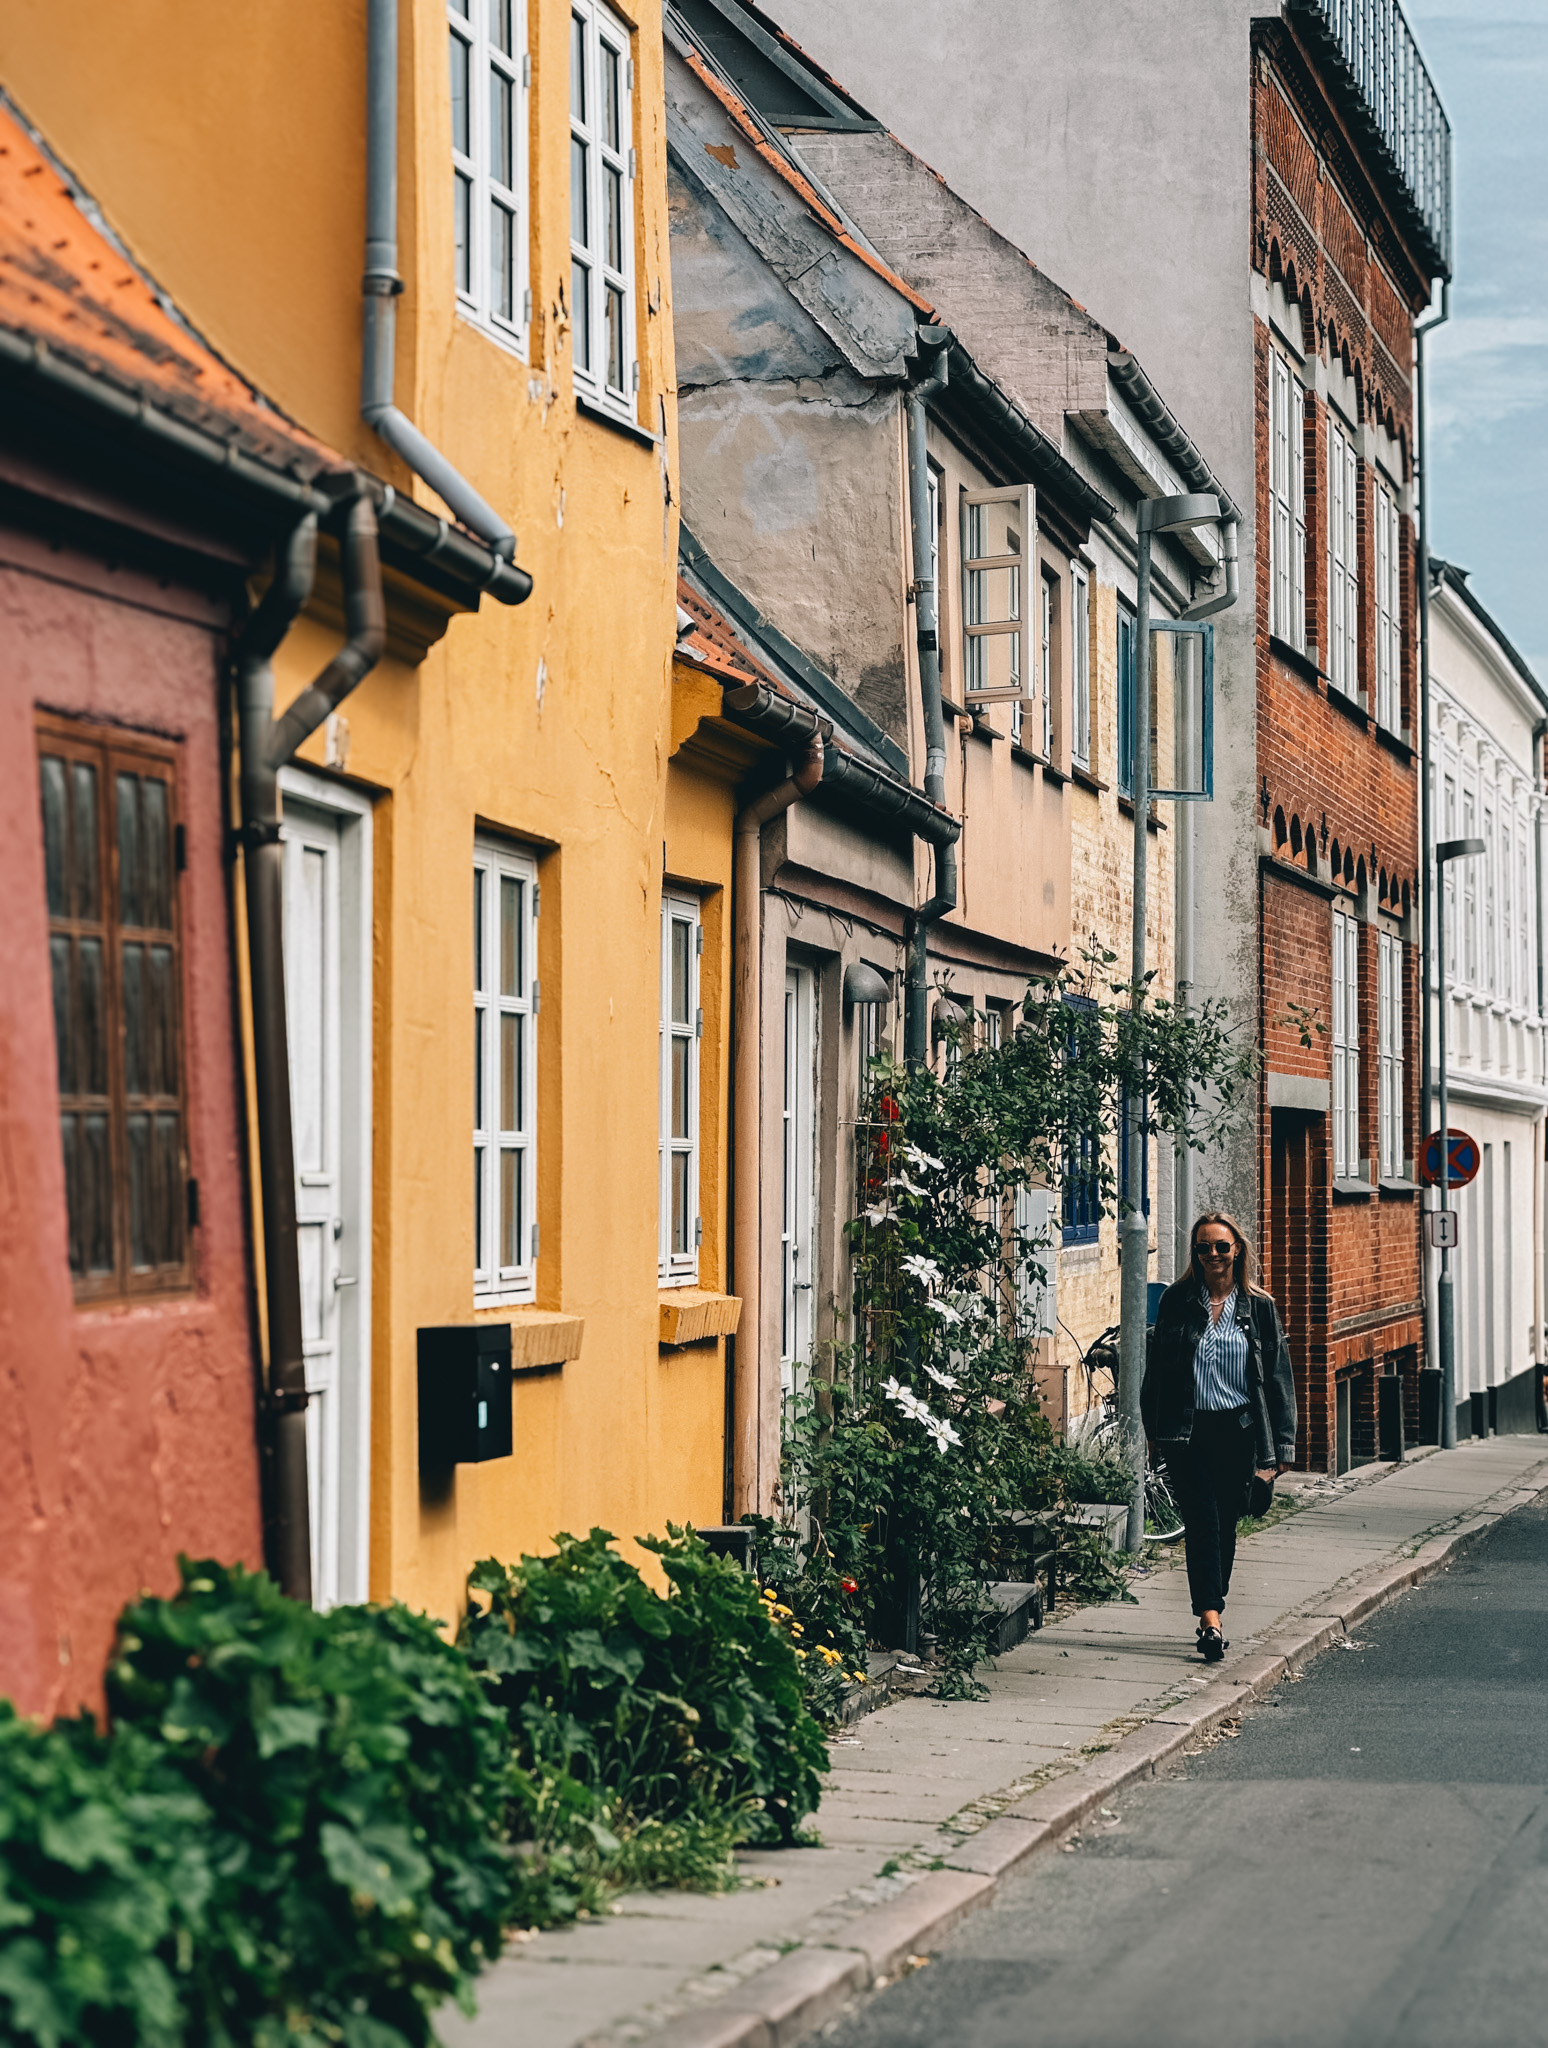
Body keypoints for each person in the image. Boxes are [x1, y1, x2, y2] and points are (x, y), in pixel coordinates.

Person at [1141, 1212, 1297, 1663]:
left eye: (1221, 1246)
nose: (1213, 1254)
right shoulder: (1176, 1301)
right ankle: (1210, 1618)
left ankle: (1213, 1600)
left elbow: (1278, 1376)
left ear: (1237, 1250)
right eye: (1204, 1247)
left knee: (1225, 1524)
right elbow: (1158, 1372)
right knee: (1201, 1523)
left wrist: (1281, 1447)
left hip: (1238, 1430)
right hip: (1186, 1431)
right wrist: (1152, 1431)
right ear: (1195, 1253)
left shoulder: (1259, 1307)